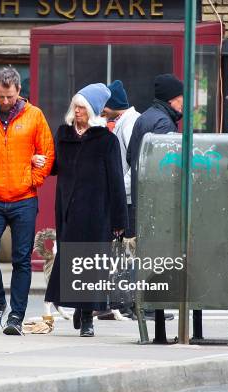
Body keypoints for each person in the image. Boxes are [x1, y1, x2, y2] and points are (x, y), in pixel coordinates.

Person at [0, 66, 54, 336]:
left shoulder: (35, 116)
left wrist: (33, 179)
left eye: (11, 97)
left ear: (18, 92)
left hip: (24, 198)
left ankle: (16, 316)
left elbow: (47, 153)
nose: (6, 102)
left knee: (21, 259)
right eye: (2, 97)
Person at [44, 83, 128, 337]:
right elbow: (56, 166)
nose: (77, 111)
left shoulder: (107, 141)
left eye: (82, 107)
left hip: (96, 210)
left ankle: (88, 318)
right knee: (72, 260)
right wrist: (42, 162)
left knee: (92, 263)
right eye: (75, 106)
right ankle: (80, 309)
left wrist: (119, 219)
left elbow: (115, 180)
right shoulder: (63, 134)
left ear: (92, 110)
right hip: (68, 207)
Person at [126, 73, 183, 338]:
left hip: (141, 197)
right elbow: (167, 164)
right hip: (159, 200)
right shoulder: (163, 124)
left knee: (145, 253)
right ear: (172, 98)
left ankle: (142, 305)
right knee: (158, 257)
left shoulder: (144, 118)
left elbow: (130, 156)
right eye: (182, 98)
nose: (184, 103)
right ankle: (152, 311)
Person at [98, 79, 141, 320]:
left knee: (125, 251)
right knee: (123, 252)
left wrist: (113, 189)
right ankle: (121, 302)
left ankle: (124, 302)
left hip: (126, 199)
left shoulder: (128, 124)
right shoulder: (125, 122)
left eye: (105, 105)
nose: (102, 110)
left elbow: (132, 168)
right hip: (124, 197)